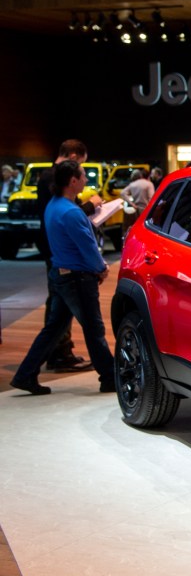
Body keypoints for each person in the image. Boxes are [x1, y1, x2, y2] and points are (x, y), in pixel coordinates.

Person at [11, 160, 115, 395]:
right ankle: (109, 376)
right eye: (83, 176)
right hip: (77, 278)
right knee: (93, 328)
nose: (86, 179)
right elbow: (87, 247)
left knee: (54, 328)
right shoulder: (70, 211)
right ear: (73, 181)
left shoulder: (54, 206)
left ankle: (25, 375)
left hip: (61, 274)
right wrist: (100, 268)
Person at [36, 139, 101, 372]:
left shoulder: (48, 178)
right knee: (64, 310)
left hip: (58, 254)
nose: (83, 178)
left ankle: (56, 354)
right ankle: (59, 354)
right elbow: (66, 216)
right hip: (62, 256)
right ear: (74, 156)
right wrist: (90, 207)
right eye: (82, 169)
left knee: (59, 310)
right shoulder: (51, 180)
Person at [120, 168, 155, 233]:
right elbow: (151, 198)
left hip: (137, 209)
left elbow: (122, 193)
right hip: (147, 209)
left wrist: (131, 203)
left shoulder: (132, 184)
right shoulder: (149, 184)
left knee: (138, 229)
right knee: (147, 230)